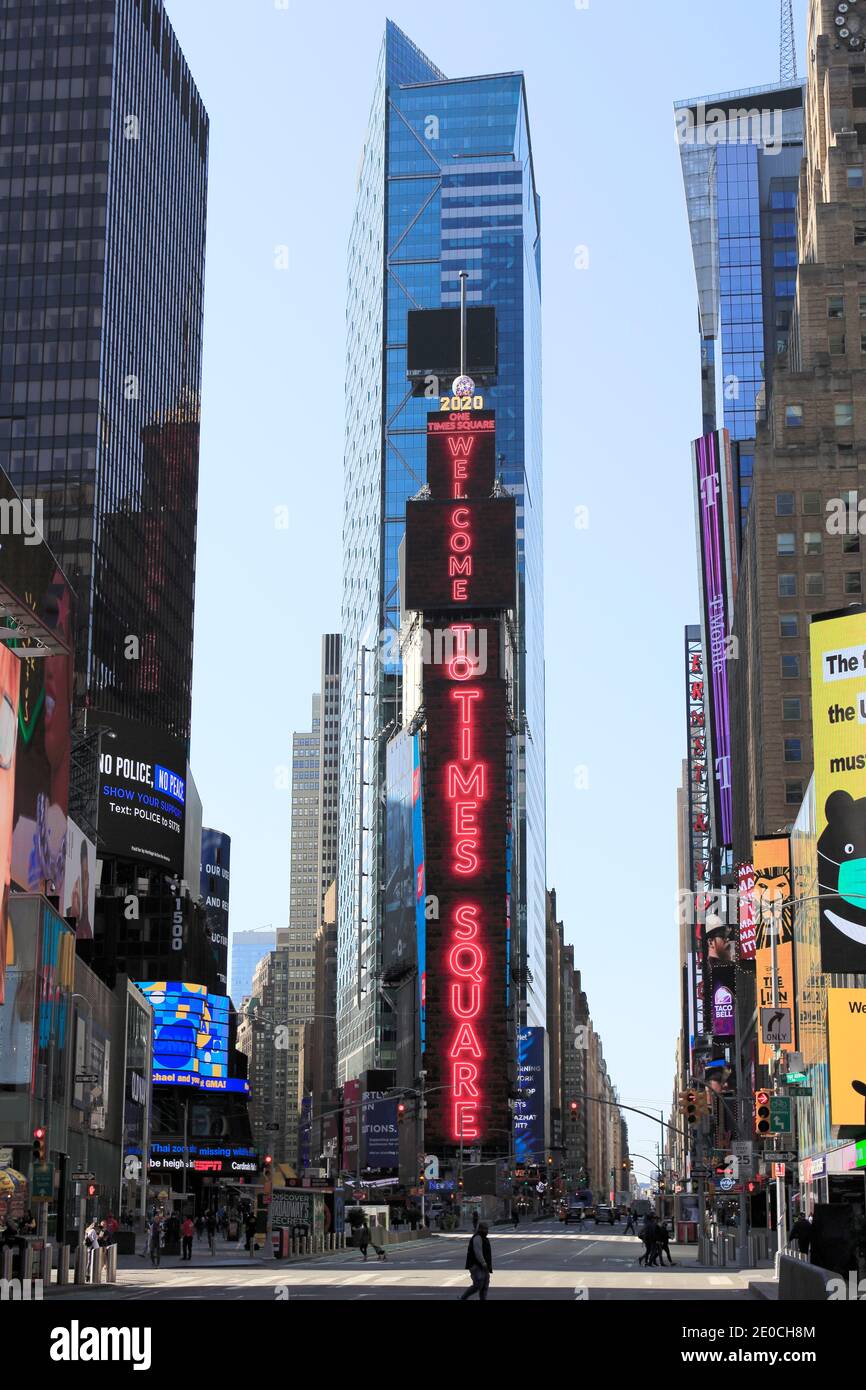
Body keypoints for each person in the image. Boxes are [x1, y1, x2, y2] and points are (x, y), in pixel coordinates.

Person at [460, 1221, 493, 1301]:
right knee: (478, 1284)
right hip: (476, 1265)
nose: (487, 1231)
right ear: (480, 1229)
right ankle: (463, 1297)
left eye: (487, 1229)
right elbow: (478, 1252)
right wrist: (483, 1262)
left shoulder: (484, 1238)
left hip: (484, 1266)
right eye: (485, 1229)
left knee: (485, 1284)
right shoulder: (477, 1237)